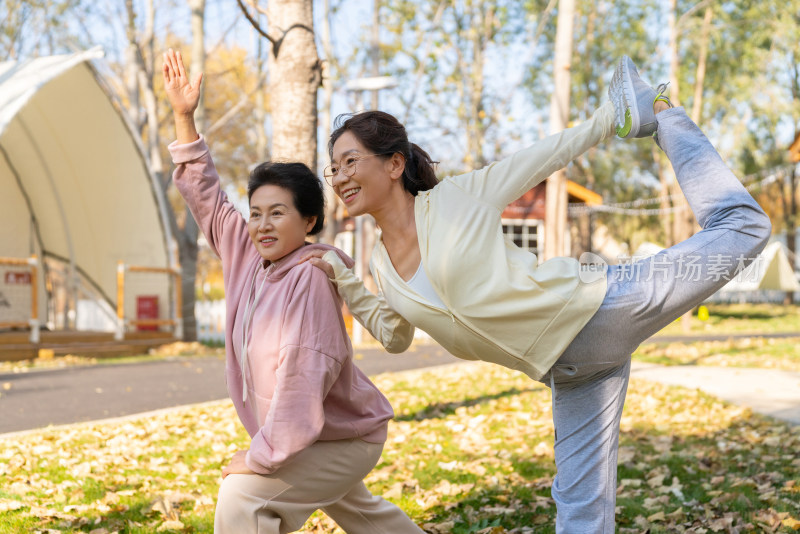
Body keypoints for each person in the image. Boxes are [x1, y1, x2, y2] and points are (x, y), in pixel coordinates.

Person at [301, 56, 772, 533]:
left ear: (395, 164)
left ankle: (665, 111)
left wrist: (611, 118)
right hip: (568, 372)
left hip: (599, 308)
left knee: (745, 227)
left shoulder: (456, 199)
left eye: (350, 162)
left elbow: (543, 156)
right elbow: (394, 335)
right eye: (332, 167)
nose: (338, 178)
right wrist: (347, 282)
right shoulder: (381, 266)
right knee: (579, 509)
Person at [161, 49, 423, 534]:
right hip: (319, 435)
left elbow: (303, 380)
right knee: (366, 516)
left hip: (340, 439)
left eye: (277, 213)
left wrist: (260, 456)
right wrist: (184, 117)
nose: (261, 224)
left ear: (308, 221)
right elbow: (205, 195)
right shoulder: (248, 254)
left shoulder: (310, 278)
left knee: (242, 497)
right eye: (255, 212)